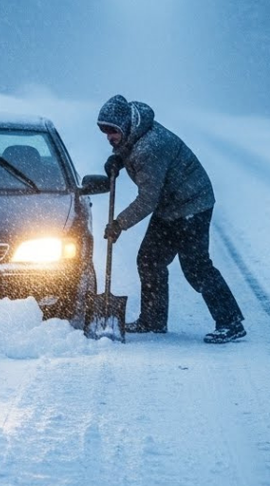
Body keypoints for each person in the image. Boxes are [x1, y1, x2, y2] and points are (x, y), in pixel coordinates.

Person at [97, 94, 246, 344]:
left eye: (112, 131)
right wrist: (118, 159)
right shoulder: (137, 132)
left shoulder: (150, 148)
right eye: (104, 131)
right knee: (149, 260)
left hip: (192, 204)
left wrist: (119, 224)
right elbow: (130, 148)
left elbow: (147, 199)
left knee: (196, 267)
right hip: (169, 205)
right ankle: (153, 320)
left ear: (125, 125)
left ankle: (230, 322)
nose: (108, 136)